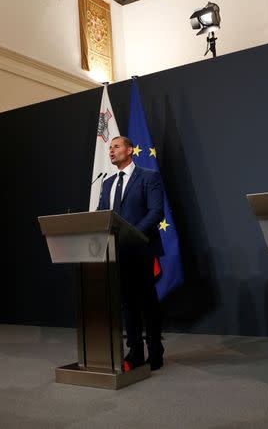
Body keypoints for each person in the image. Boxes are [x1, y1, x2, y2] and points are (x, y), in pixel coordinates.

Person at [98, 136, 165, 370]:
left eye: (116, 147)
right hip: (118, 251)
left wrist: (131, 233)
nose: (111, 151)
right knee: (127, 303)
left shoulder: (149, 177)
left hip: (142, 248)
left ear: (130, 150)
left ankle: (156, 351)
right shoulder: (106, 184)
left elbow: (156, 212)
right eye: (109, 148)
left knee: (147, 302)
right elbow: (101, 214)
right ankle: (135, 352)